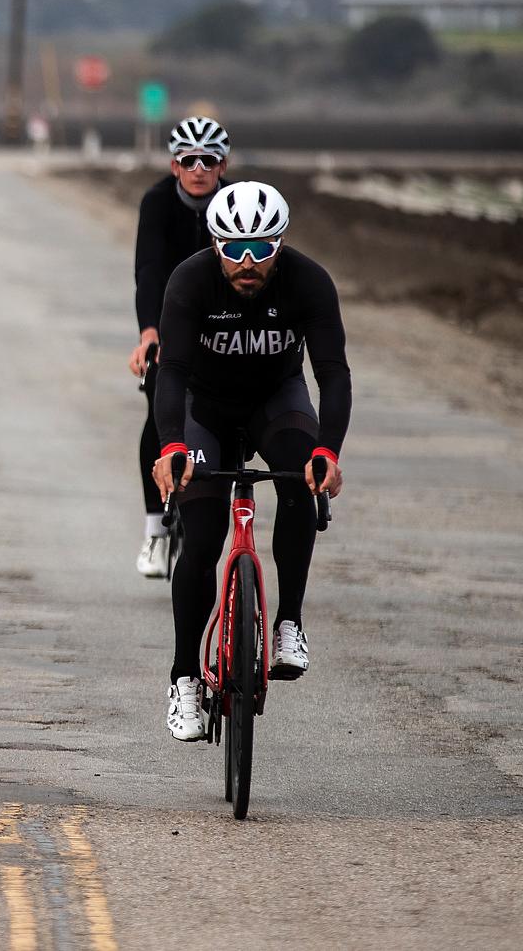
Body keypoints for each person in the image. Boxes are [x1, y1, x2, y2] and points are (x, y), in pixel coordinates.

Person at [153, 182, 350, 742]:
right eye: (233, 247)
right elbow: (170, 374)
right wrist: (170, 445)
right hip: (205, 411)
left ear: (279, 244)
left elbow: (333, 374)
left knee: (300, 481)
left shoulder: (309, 281)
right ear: (214, 243)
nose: (246, 262)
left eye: (261, 249)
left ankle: (289, 621)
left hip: (275, 403)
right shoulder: (190, 281)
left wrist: (327, 451)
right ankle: (185, 676)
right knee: (204, 530)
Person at [130, 116, 230, 578]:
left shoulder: (234, 204)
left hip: (223, 326)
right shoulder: (156, 202)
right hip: (170, 321)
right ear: (174, 165)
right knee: (158, 414)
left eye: (207, 160)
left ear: (222, 165)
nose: (198, 169)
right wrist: (148, 331)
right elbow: (148, 270)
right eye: (188, 160)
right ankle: (155, 531)